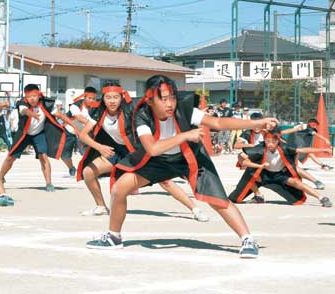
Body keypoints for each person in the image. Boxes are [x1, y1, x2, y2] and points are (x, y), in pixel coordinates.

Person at [86, 75, 278, 258]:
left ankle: (247, 240)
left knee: (217, 200)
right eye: (162, 99)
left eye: (172, 98)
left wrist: (256, 122)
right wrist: (184, 136)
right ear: (150, 100)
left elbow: (218, 122)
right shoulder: (141, 115)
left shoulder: (185, 109)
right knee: (120, 188)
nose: (169, 104)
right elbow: (152, 149)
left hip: (190, 158)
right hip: (157, 160)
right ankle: (114, 237)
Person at [77, 82, 208, 221]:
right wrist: (100, 147)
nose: (112, 101)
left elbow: (154, 104)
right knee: (88, 172)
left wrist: (190, 112)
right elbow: (83, 135)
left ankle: (195, 209)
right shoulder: (98, 112)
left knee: (165, 181)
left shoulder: (131, 108)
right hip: (117, 151)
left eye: (116, 97)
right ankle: (101, 206)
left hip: (138, 150)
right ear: (103, 98)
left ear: (122, 97)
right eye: (108, 97)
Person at [229, 127, 333, 207]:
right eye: (268, 141)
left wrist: (322, 150)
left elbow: (302, 150)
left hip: (279, 175)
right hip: (264, 174)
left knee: (297, 183)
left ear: (278, 141)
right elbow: (242, 158)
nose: (270, 144)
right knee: (250, 173)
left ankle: (322, 197)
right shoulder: (259, 148)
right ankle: (258, 196)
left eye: (273, 142)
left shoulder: (285, 148)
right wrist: (258, 165)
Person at [0, 84, 69, 192]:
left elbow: (60, 115)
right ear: (26, 97)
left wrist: (74, 126)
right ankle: (0, 178)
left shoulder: (46, 104)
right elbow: (24, 110)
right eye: (29, 97)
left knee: (43, 156)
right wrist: (31, 114)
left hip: (38, 134)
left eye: (34, 96)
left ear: (39, 95)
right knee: (10, 157)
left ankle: (49, 183)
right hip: (23, 134)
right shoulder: (22, 103)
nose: (32, 99)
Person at [60, 87, 97, 176]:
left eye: (93, 98)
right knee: (65, 156)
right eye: (89, 98)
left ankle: (91, 172)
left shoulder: (96, 107)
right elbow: (79, 118)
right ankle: (71, 168)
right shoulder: (75, 105)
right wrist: (92, 124)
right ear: (84, 97)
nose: (91, 100)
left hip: (84, 134)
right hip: (70, 132)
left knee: (87, 154)